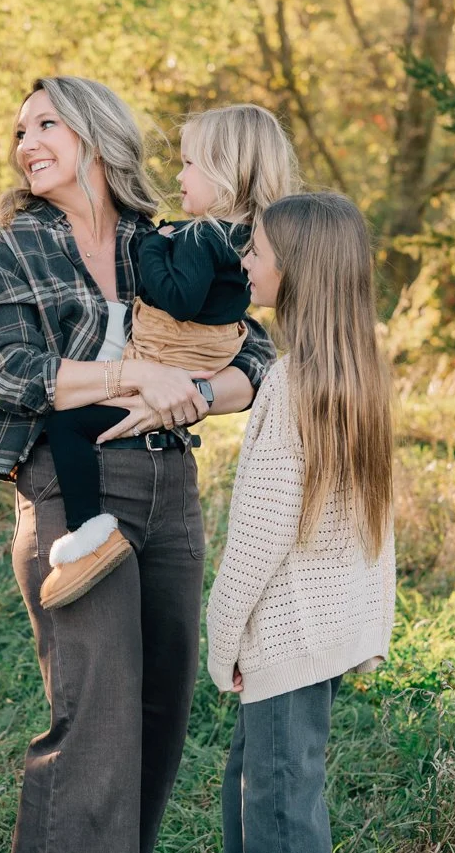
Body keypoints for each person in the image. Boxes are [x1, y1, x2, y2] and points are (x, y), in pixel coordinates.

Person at [0, 77, 275, 853]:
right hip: (68, 480)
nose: (26, 141)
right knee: (93, 704)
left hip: (171, 479)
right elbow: (13, 371)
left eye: (46, 123)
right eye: (18, 129)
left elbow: (257, 349)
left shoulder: (160, 243)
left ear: (96, 135)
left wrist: (199, 392)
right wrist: (136, 376)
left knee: (162, 705)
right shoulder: (11, 247)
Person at [205, 192, 397, 853]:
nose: (245, 262)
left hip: (285, 632)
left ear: (298, 269)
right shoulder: (354, 372)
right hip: (321, 628)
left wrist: (223, 635)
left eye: (256, 250)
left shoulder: (291, 383)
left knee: (277, 806)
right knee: (262, 788)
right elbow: (377, 525)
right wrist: (371, 624)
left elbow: (258, 533)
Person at [38, 104, 299, 607]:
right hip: (199, 367)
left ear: (223, 169)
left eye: (188, 164)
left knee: (68, 426)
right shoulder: (251, 242)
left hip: (168, 363)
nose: (178, 176)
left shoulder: (201, 235)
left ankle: (88, 534)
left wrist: (152, 247)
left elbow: (177, 298)